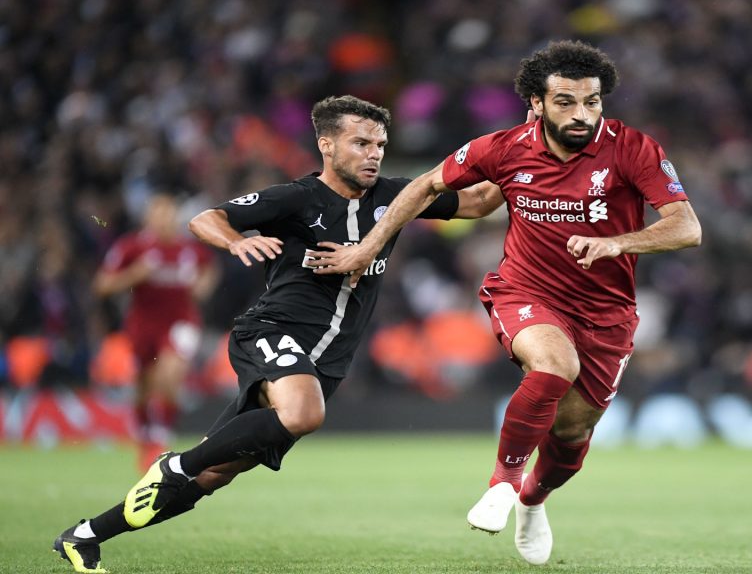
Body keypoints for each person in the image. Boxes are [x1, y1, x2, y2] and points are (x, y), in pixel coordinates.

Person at [52, 94, 504, 574]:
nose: (374, 154)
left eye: (380, 145)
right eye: (361, 143)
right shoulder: (296, 198)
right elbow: (205, 219)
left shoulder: (395, 197)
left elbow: (478, 202)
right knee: (302, 414)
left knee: (214, 473)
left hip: (326, 362)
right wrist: (237, 241)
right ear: (326, 145)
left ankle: (86, 535)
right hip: (271, 332)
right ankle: (174, 464)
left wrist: (524, 158)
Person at [312, 40, 702, 565]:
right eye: (565, 101)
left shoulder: (633, 149)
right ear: (536, 103)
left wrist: (618, 243)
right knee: (554, 364)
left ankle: (533, 501)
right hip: (526, 291)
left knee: (571, 436)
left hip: (606, 313)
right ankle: (503, 482)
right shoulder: (503, 147)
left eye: (591, 102)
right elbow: (428, 186)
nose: (581, 114)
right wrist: (368, 246)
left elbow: (686, 227)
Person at [93, 192, 218, 471]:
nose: (164, 221)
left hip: (181, 322)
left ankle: (161, 437)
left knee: (169, 376)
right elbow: (101, 285)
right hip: (143, 325)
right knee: (142, 387)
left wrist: (204, 285)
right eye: (158, 215)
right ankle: (145, 437)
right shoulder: (132, 247)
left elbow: (210, 267)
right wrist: (134, 275)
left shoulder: (189, 249)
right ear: (148, 219)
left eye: (168, 215)